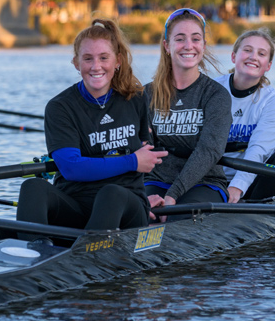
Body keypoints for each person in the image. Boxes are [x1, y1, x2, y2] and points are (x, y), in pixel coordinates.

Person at [16, 18, 168, 233]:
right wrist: (132, 161)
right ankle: (30, 249)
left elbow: (149, 157)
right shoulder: (60, 107)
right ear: (76, 63)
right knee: (32, 187)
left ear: (118, 61)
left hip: (125, 205)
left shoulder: (135, 99)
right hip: (75, 204)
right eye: (88, 59)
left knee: (111, 193)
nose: (96, 66)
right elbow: (71, 168)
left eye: (104, 58)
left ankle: (85, 254)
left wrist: (153, 195)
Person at [145, 8, 232, 219]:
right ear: (167, 46)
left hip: (205, 182)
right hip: (155, 181)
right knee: (135, 213)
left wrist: (173, 196)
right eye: (180, 39)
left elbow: (208, 151)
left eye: (195, 39)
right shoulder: (148, 94)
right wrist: (138, 195)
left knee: (177, 217)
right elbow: (142, 148)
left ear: (203, 45)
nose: (188, 46)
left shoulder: (216, 95)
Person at [215, 28, 275, 203]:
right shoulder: (212, 89)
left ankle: (253, 207)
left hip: (250, 180)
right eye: (247, 50)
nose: (253, 57)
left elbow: (258, 150)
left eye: (261, 53)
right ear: (234, 56)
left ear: (268, 66)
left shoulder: (272, 101)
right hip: (212, 175)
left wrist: (237, 187)